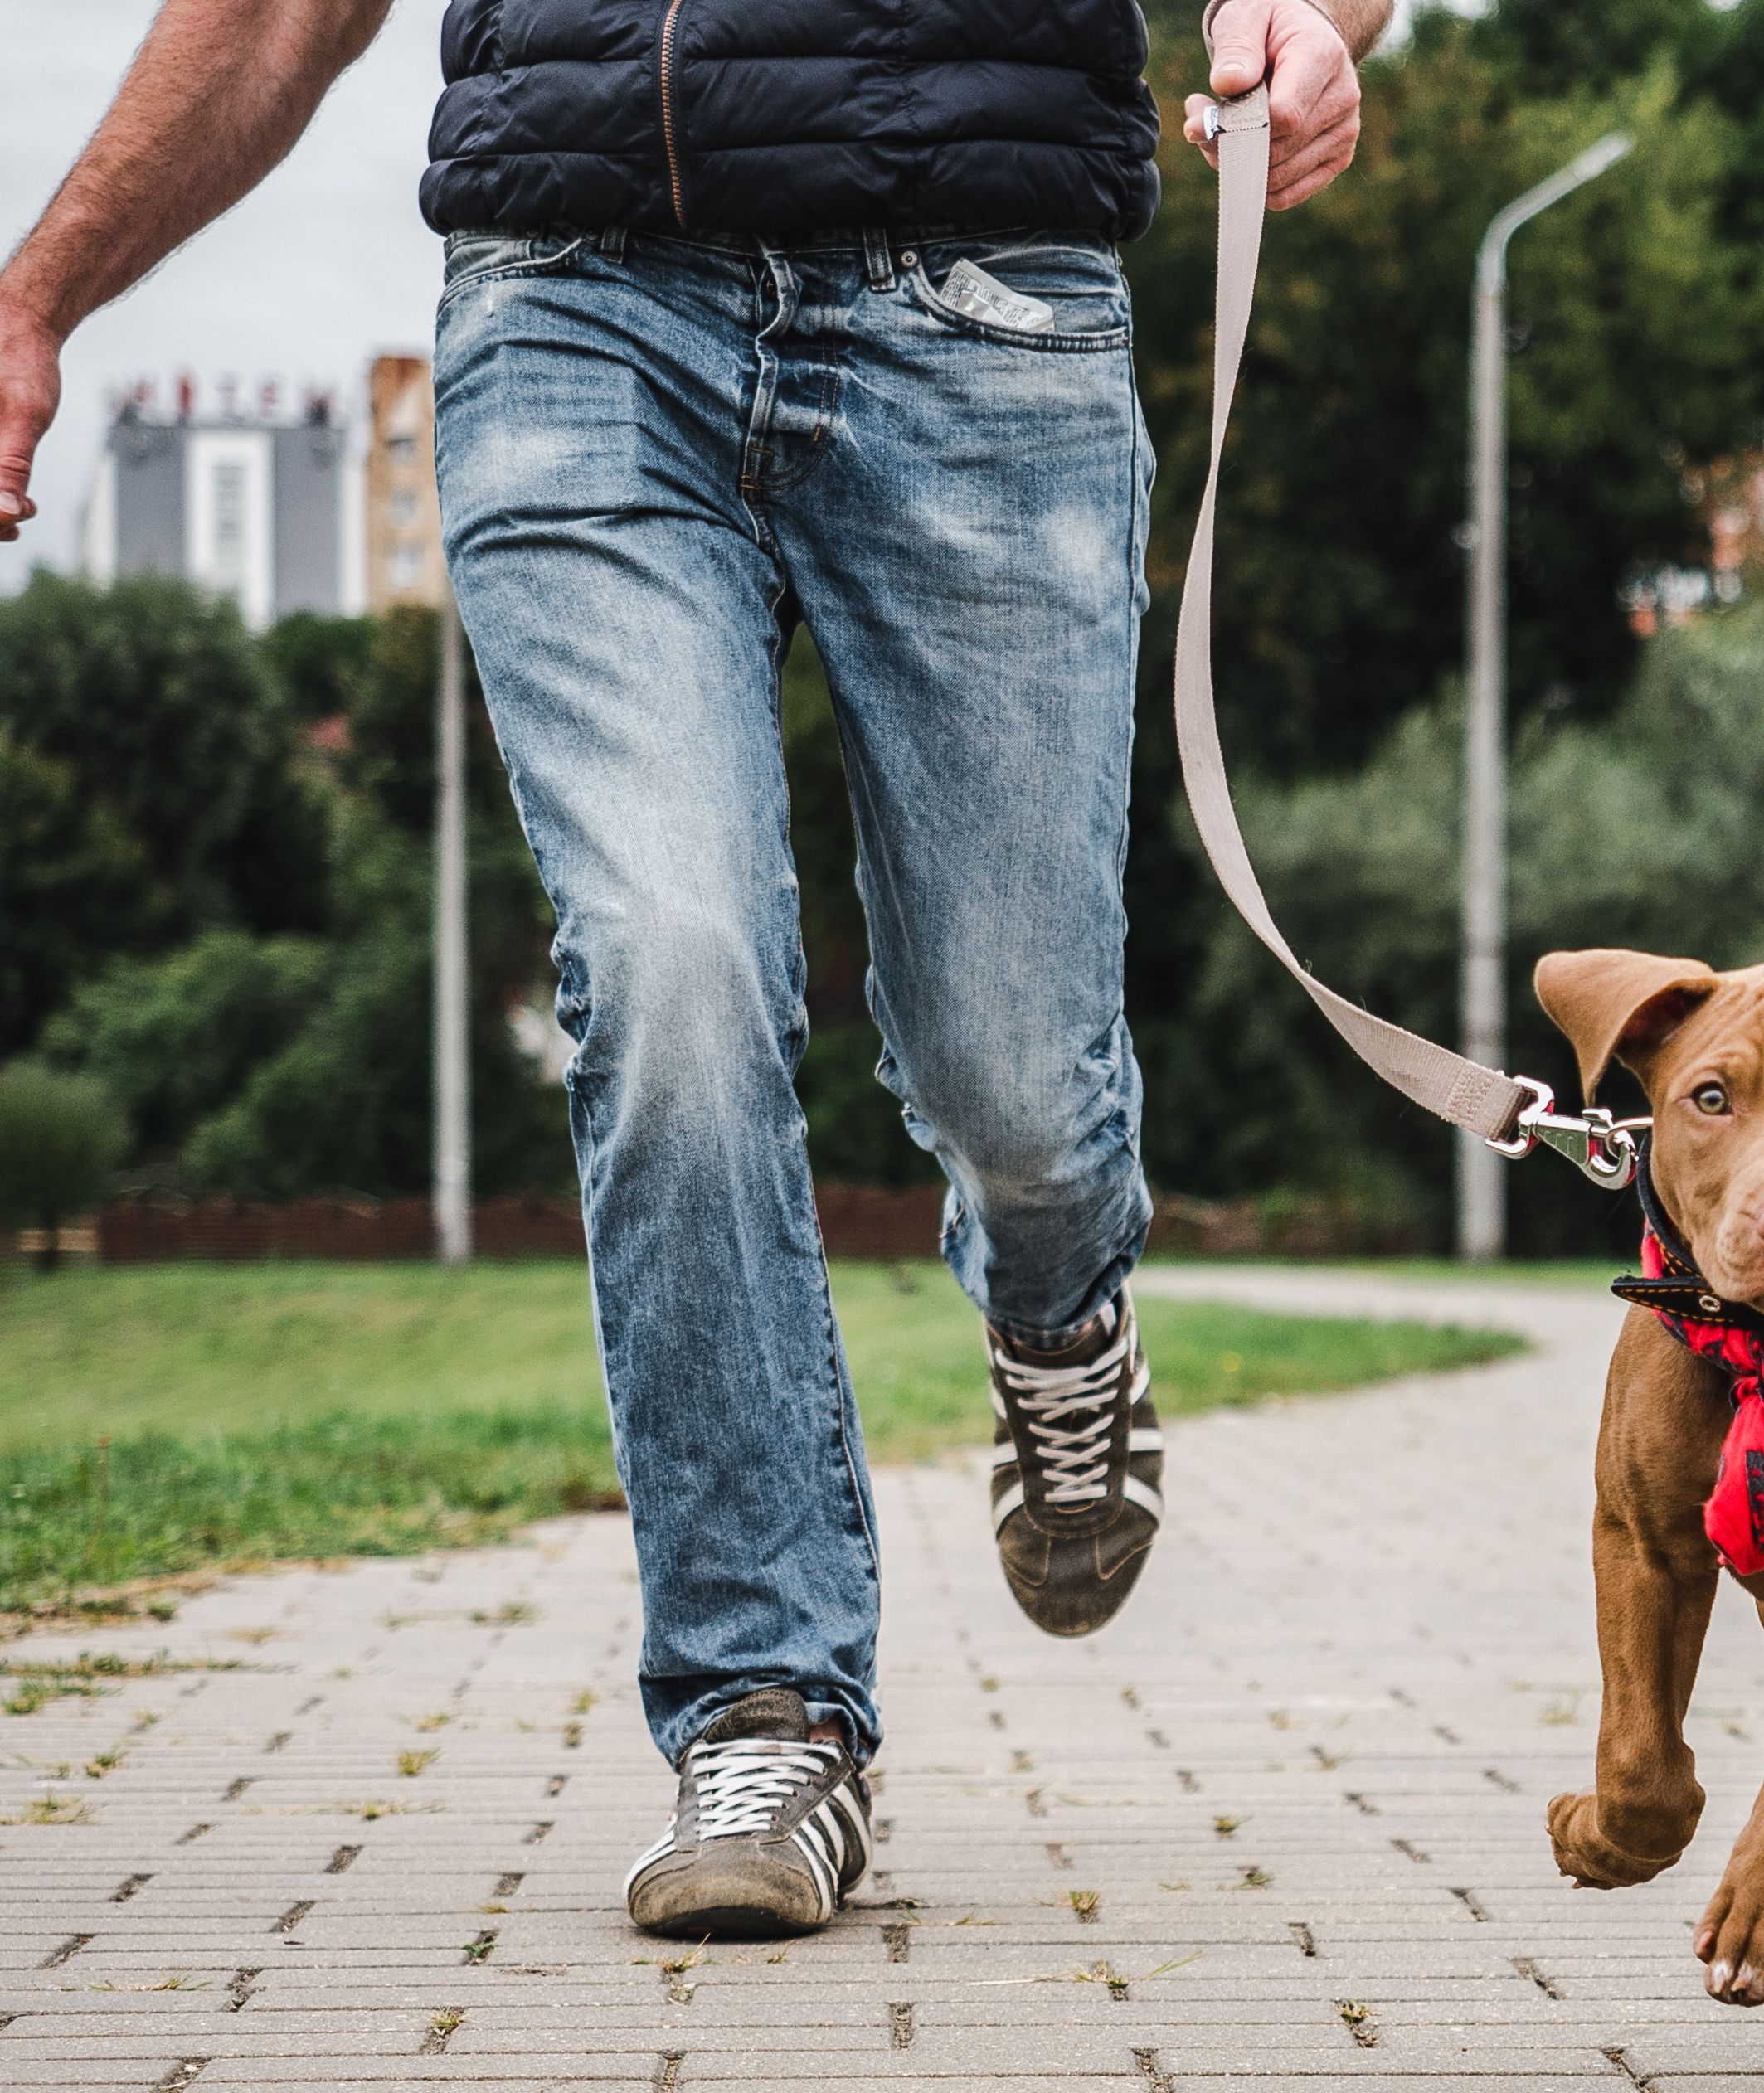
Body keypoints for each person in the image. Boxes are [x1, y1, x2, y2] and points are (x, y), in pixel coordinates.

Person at [0, 0, 1387, 1940]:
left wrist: (1321, 22)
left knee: (1011, 1076)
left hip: (984, 306)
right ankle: (764, 1698)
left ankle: (1062, 1318)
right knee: (667, 970)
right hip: (575, 314)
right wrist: (40, 288)